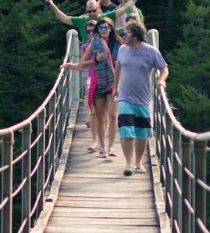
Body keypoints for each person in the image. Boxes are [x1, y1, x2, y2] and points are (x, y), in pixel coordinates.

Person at [112, 21, 167, 175]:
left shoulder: (151, 51)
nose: (123, 36)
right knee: (126, 129)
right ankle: (129, 164)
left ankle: (138, 162)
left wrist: (161, 80)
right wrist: (115, 87)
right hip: (125, 97)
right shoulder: (122, 49)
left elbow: (164, 68)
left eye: (126, 34)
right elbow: (118, 67)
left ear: (135, 36)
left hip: (143, 99)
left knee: (142, 133)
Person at [67, 20, 118, 156]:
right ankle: (102, 147)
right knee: (100, 115)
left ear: (111, 29)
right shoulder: (93, 44)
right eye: (100, 28)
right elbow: (82, 64)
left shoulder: (119, 44)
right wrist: (96, 60)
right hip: (99, 81)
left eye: (106, 27)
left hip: (114, 81)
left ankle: (111, 147)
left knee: (113, 115)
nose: (103, 30)